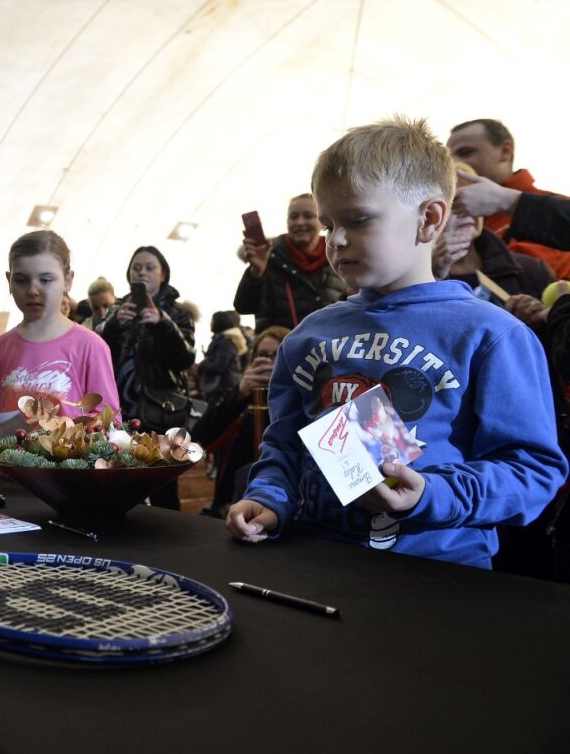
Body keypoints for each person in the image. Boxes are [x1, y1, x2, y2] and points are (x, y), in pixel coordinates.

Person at [227, 116, 567, 568]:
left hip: (434, 580)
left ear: (429, 219)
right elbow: (286, 446)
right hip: (313, 565)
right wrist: (269, 498)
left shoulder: (493, 336)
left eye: (358, 219)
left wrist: (432, 494)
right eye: (329, 224)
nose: (337, 239)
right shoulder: (306, 337)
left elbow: (532, 470)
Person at [0, 230, 120, 423]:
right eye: (21, 280)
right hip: (8, 445)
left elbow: (110, 421)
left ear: (67, 281)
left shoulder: (91, 346)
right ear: (9, 281)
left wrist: (68, 429)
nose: (32, 290)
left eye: (45, 280)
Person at [97, 245, 194, 507]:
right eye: (136, 268)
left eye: (150, 268)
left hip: (162, 410)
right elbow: (98, 351)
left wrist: (163, 323)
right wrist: (115, 324)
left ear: (163, 274)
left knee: (163, 484)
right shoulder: (118, 310)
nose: (142, 273)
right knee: (120, 479)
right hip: (122, 409)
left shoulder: (177, 313)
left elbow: (185, 358)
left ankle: (165, 529)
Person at [447, 119, 567, 277]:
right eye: (449, 158)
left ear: (505, 151)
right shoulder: (451, 215)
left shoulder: (553, 211)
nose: (455, 163)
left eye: (466, 153)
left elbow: (532, 279)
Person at [193, 326, 290, 518]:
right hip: (231, 503)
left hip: (279, 506)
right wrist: (239, 393)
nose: (269, 362)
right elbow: (201, 436)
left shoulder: (299, 400)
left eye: (277, 355)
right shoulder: (240, 395)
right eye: (262, 355)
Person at [432, 163, 553, 298]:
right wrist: (433, 277)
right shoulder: (415, 276)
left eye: (474, 200)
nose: (467, 210)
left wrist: (538, 310)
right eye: (455, 202)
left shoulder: (532, 270)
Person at [233, 194, 346, 332]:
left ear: (322, 221)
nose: (300, 222)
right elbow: (244, 307)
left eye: (308, 216)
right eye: (293, 217)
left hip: (330, 344)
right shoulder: (269, 257)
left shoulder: (339, 256)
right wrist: (256, 272)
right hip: (281, 345)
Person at [196, 310, 247, 405]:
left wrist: (203, 364)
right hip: (223, 386)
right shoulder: (223, 341)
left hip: (223, 388)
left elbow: (219, 366)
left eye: (212, 321)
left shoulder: (225, 342)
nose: (210, 324)